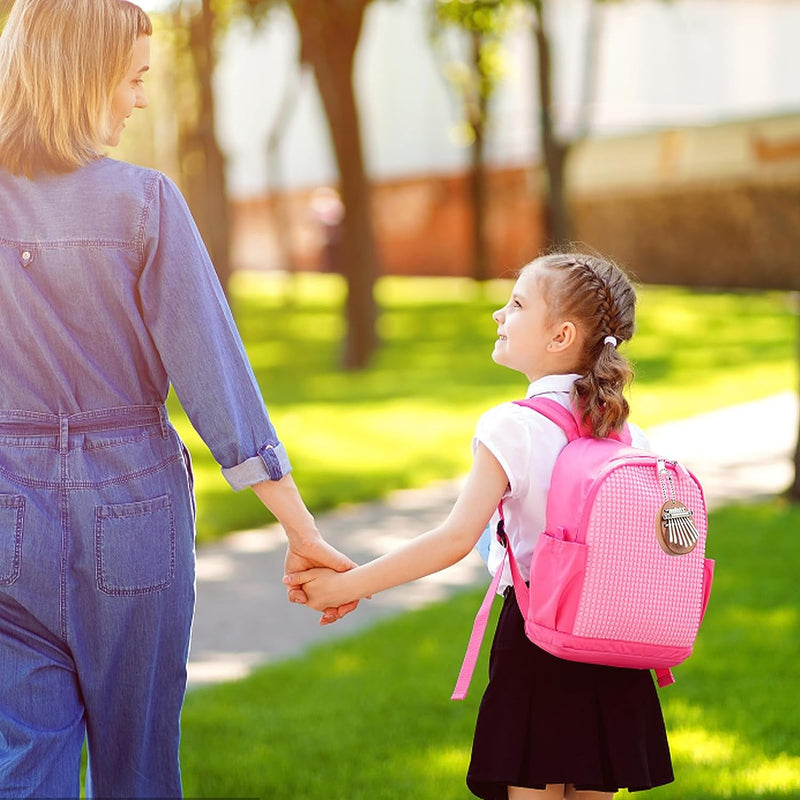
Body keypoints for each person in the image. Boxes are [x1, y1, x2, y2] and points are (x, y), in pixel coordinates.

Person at [0, 1, 355, 796]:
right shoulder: (143, 203)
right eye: (131, 80)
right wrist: (299, 530)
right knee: (138, 773)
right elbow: (216, 380)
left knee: (22, 767)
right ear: (81, 78)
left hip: (5, 518)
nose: (139, 100)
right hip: (133, 510)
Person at [285, 253, 675, 800]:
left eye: (516, 304)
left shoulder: (513, 425)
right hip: (611, 644)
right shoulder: (630, 437)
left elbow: (452, 540)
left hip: (539, 640)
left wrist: (347, 585)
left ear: (561, 335)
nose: (499, 314)